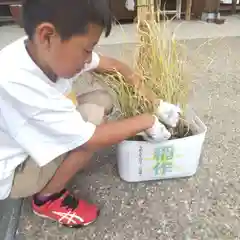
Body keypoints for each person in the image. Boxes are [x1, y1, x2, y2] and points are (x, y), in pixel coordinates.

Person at [0, 0, 180, 228]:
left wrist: (156, 102)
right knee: (93, 118)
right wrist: (147, 120)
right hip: (15, 172)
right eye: (87, 49)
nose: (88, 58)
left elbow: (114, 66)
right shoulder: (17, 81)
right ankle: (47, 199)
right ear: (46, 35)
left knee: (101, 99)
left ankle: (63, 166)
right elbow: (92, 138)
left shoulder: (41, 50)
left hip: (26, 141)